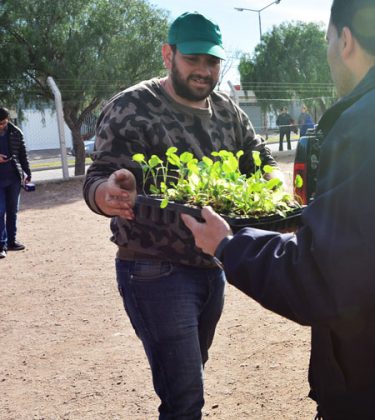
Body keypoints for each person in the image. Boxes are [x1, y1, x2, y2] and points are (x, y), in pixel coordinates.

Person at [182, 0, 375, 418]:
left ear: (346, 39)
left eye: (328, 40)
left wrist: (228, 245)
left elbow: (325, 278)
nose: (328, 54)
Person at [82, 12, 279, 418]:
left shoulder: (228, 111)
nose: (205, 70)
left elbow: (261, 160)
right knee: (185, 397)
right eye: (194, 59)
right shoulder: (132, 107)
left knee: (187, 380)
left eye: (212, 62)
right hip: (155, 271)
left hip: (213, 264)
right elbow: (99, 177)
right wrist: (106, 194)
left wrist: (274, 185)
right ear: (168, 54)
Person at [0, 107, 31, 259]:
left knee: (12, 211)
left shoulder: (16, 132)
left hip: (13, 178)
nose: (1, 126)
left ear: (8, 119)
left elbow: (22, 153)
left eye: (4, 122)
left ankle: (11, 241)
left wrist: (27, 172)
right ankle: (1, 245)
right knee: (0, 211)